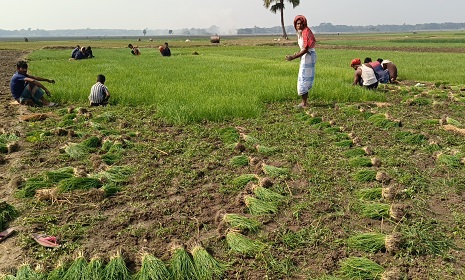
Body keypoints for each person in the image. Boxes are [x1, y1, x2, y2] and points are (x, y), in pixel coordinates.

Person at [285, 15, 317, 108]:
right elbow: (303, 48)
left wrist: (293, 57)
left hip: (308, 57)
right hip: (306, 56)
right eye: (297, 23)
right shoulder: (301, 32)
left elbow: (306, 49)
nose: (298, 25)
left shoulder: (305, 32)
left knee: (304, 78)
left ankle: (304, 103)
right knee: (303, 77)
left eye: (300, 23)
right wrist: (299, 53)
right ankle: (304, 102)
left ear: (304, 24)